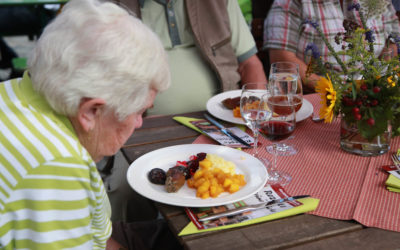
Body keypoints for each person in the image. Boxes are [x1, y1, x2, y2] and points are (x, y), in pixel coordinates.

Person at [0, 0, 176, 249]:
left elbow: (98, 240)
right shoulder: (57, 165)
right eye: (139, 112)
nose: (138, 123)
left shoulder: (17, 90)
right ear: (91, 112)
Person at [114, 0, 267, 116]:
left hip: (221, 122)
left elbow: (250, 64)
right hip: (146, 128)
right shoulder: (112, 7)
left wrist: (255, 118)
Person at [263, 0, 400, 93]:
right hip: (319, 99)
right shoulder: (292, 2)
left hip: (374, 94)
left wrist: (380, 79)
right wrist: (335, 93)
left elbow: (394, 38)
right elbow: (283, 60)